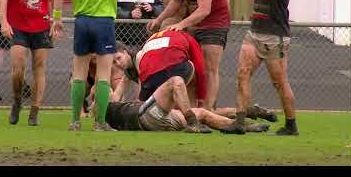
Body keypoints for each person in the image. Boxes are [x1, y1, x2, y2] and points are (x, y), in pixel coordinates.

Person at [50, 0, 191, 131]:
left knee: (79, 75)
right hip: (103, 23)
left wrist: (57, 18)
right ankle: (100, 123)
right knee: (102, 76)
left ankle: (75, 121)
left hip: (82, 23)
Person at [103, 40, 270, 133]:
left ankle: (245, 120)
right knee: (200, 108)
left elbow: (142, 92)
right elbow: (117, 95)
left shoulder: (140, 57)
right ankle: (246, 116)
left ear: (125, 51)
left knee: (201, 110)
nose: (118, 64)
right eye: (114, 62)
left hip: (158, 99)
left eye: (118, 58)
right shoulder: (127, 72)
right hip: (155, 108)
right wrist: (105, 100)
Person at [223, 0, 298, 136]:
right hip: (254, 33)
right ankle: (240, 121)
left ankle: (291, 125)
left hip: (275, 36)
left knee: (279, 82)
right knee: (242, 73)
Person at [147, 0, 231, 111]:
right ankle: (193, 109)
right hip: (195, 23)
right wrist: (158, 20)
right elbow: (176, 1)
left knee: (209, 68)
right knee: (192, 67)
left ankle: (207, 109)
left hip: (215, 23)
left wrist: (181, 24)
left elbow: (205, 9)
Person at [0, 0, 58, 126]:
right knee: (18, 68)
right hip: (18, 25)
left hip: (41, 25)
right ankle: (16, 102)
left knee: (39, 68)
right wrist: (4, 23)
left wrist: (56, 19)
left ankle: (34, 112)